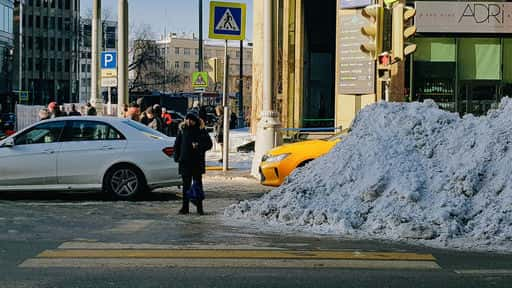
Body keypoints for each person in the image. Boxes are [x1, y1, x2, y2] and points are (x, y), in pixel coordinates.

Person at [173, 112, 213, 215]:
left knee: (197, 185)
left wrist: (199, 146)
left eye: (191, 120)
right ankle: (185, 207)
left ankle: (199, 208)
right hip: (185, 162)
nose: (189, 121)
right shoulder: (182, 130)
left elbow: (209, 144)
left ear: (195, 121)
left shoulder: (200, 130)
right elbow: (177, 144)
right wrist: (177, 157)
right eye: (187, 119)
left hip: (196, 162)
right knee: (185, 186)